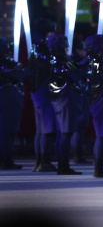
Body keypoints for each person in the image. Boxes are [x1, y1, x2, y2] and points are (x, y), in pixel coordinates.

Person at [47, 34, 83, 175]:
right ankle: (63, 165)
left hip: (61, 98)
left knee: (63, 133)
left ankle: (63, 164)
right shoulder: (60, 61)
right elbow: (76, 73)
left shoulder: (55, 60)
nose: (67, 47)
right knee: (66, 134)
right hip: (65, 98)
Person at [82, 35, 103, 178]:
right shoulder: (98, 62)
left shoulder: (91, 61)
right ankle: (98, 169)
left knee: (102, 135)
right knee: (102, 134)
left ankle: (99, 168)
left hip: (98, 99)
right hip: (101, 99)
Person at [28, 20, 57, 172]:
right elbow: (48, 67)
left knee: (40, 129)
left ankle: (38, 161)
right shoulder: (43, 49)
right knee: (45, 128)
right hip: (43, 89)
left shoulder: (34, 49)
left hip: (36, 89)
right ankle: (43, 161)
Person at [0, 37, 25, 169]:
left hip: (8, 96)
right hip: (8, 96)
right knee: (7, 130)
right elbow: (20, 76)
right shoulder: (9, 64)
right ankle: (5, 158)